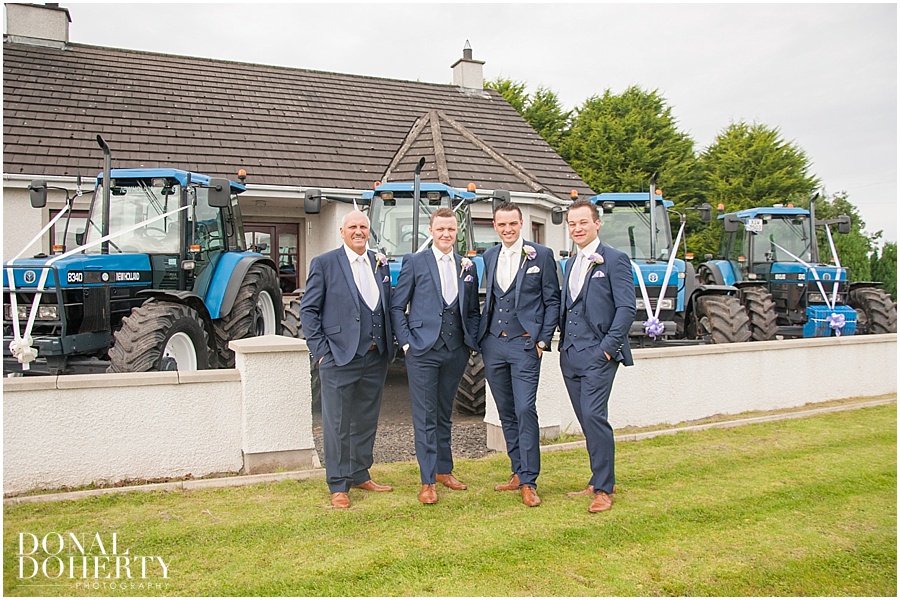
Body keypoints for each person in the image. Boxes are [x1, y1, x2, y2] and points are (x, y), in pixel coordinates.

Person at [299, 210, 395, 509]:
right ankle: (338, 484)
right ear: (341, 232)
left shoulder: (379, 263)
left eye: (363, 227)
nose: (358, 231)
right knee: (337, 423)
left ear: (369, 231)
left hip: (374, 355)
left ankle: (359, 472)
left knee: (365, 419)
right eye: (352, 227)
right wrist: (322, 353)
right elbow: (309, 311)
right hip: (339, 357)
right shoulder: (324, 264)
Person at [390, 207, 481, 505]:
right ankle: (428, 480)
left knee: (444, 413)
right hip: (422, 350)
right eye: (440, 229)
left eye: (451, 229)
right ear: (431, 231)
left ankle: (444, 470)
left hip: (455, 350)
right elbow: (397, 306)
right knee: (425, 416)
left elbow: (471, 311)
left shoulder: (467, 266)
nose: (446, 234)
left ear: (457, 232)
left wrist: (470, 343)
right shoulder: (415, 262)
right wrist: (405, 343)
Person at [477, 201, 560, 507]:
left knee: (526, 409)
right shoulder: (490, 255)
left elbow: (553, 301)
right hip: (494, 345)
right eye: (502, 224)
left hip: (526, 345)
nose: (507, 229)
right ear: (495, 226)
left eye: (512, 223)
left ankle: (529, 481)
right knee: (506, 411)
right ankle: (516, 470)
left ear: (521, 223)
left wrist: (541, 340)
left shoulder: (543, 256)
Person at [558, 199, 636, 513]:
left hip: (599, 354)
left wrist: (606, 349)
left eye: (583, 223)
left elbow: (627, 308)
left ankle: (604, 489)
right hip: (571, 355)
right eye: (572, 224)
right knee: (585, 419)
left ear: (596, 223)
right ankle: (597, 478)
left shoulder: (615, 260)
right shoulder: (570, 263)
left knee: (594, 416)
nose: (577, 229)